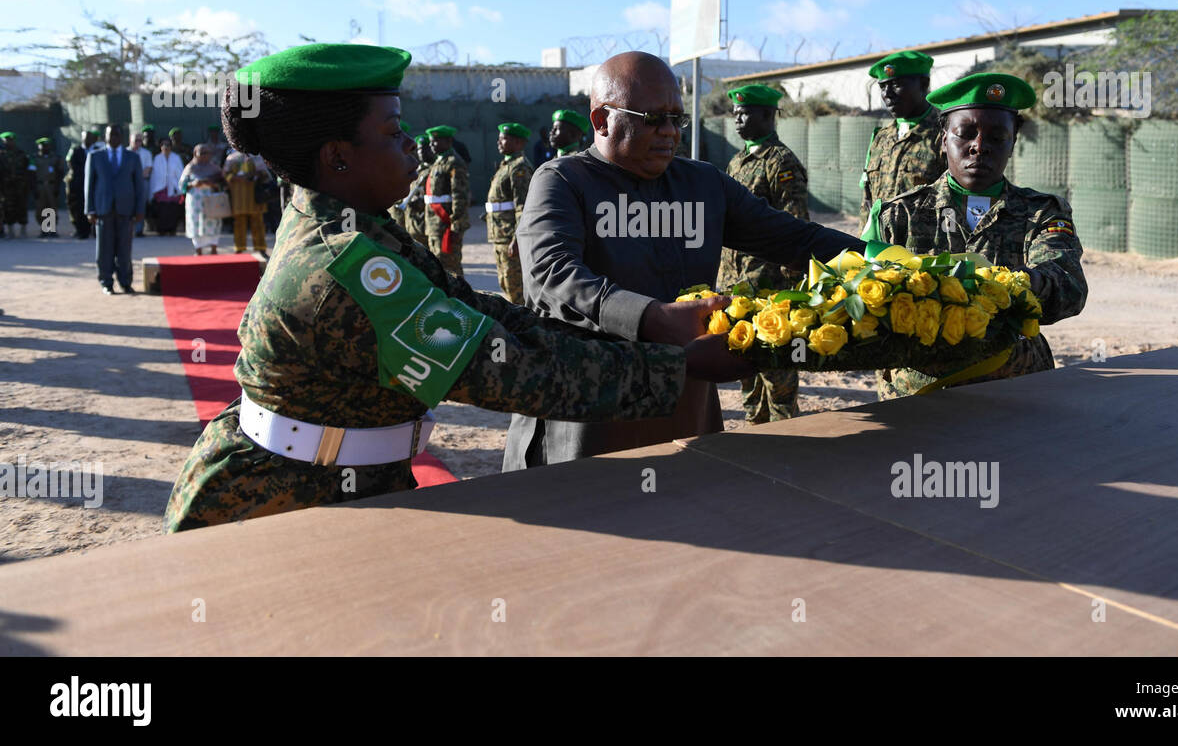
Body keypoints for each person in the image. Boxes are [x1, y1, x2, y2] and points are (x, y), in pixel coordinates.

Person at [164, 43, 744, 531]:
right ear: (338, 156)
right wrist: (681, 367)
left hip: (343, 481)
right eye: (393, 131)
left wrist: (652, 326)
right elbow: (508, 368)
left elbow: (483, 312)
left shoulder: (362, 229)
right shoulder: (343, 269)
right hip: (276, 504)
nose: (410, 143)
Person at [504, 51, 866, 470]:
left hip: (682, 407)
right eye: (652, 118)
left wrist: (883, 261)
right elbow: (553, 275)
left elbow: (794, 238)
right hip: (586, 413)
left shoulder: (702, 184)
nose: (670, 132)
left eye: (677, 119)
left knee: (689, 499)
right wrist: (651, 318)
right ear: (602, 120)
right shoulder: (563, 180)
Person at [867, 72, 1088, 399]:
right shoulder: (898, 215)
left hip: (1015, 389)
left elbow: (1068, 288)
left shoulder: (1041, 213)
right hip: (917, 395)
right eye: (965, 134)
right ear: (943, 139)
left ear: (1013, 142)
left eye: (997, 137)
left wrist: (1017, 284)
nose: (980, 147)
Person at [715, 84, 806, 424]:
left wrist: (793, 286)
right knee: (746, 362)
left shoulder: (781, 162)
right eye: (735, 113)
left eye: (745, 113)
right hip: (737, 284)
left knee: (777, 367)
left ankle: (787, 433)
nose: (738, 119)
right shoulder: (737, 161)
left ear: (768, 115)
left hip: (770, 286)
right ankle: (755, 430)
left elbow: (795, 226)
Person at [859, 50, 946, 239]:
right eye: (883, 87)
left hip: (922, 250)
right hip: (879, 246)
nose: (887, 95)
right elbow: (868, 200)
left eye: (896, 85)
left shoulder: (945, 135)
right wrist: (862, 244)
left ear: (924, 84)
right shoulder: (881, 137)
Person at [84, 123, 147, 294]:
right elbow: (89, 185)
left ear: (122, 137)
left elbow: (139, 186)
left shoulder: (132, 157)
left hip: (125, 210)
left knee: (124, 249)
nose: (113, 138)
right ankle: (106, 282)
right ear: (105, 137)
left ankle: (125, 282)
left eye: (117, 134)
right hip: (103, 210)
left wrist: (140, 209)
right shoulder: (95, 156)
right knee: (104, 249)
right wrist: (90, 210)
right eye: (110, 134)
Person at [485, 122, 534, 303]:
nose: (499, 142)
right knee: (506, 284)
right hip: (500, 234)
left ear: (519, 143)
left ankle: (525, 320)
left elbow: (523, 206)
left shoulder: (519, 168)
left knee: (516, 289)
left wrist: (517, 238)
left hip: (509, 237)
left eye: (504, 139)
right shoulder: (507, 164)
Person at [422, 125, 469, 275]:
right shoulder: (437, 162)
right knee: (438, 267)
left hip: (446, 224)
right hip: (434, 224)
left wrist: (455, 226)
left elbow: (460, 197)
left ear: (448, 141)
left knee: (451, 269)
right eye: (431, 141)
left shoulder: (454, 163)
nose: (431, 144)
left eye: (435, 141)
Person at [223, 146, 271, 256]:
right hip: (238, 195)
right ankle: (239, 248)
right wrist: (237, 178)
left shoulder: (257, 157)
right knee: (239, 222)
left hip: (255, 195)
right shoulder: (231, 158)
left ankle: (261, 248)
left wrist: (254, 174)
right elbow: (225, 175)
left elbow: (265, 174)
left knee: (258, 221)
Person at [179, 144, 226, 255]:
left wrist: (213, 184)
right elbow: (182, 185)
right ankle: (198, 249)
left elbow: (223, 184)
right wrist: (193, 184)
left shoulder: (215, 168)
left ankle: (214, 248)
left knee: (213, 222)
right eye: (202, 153)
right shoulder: (190, 168)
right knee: (196, 223)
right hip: (195, 201)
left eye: (207, 153)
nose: (205, 155)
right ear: (195, 154)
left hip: (212, 200)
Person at [148, 136, 185, 235]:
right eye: (163, 145)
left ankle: (172, 230)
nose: (166, 147)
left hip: (174, 188)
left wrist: (180, 188)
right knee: (161, 210)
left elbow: (180, 173)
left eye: (168, 145)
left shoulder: (176, 158)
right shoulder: (157, 158)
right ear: (160, 147)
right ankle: (161, 230)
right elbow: (154, 175)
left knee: (173, 209)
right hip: (160, 189)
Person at [65, 129, 97, 239]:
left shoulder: (97, 151)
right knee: (79, 208)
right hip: (79, 185)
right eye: (85, 137)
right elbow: (72, 166)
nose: (87, 140)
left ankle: (95, 231)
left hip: (94, 185)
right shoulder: (75, 151)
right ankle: (82, 231)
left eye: (89, 137)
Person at [32, 137, 65, 237]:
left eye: (46, 145)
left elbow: (60, 173)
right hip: (40, 185)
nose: (44, 147)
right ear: (38, 146)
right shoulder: (34, 158)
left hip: (51, 185)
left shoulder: (55, 158)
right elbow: (31, 174)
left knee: (52, 208)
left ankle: (52, 229)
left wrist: (57, 187)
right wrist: (34, 188)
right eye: (42, 145)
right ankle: (44, 229)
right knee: (41, 209)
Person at [1, 132, 32, 237]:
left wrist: (28, 183)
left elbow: (29, 169)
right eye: (6, 141)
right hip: (6, 186)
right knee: (8, 207)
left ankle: (23, 229)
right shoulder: (1, 155)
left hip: (20, 185)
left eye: (10, 140)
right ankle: (10, 230)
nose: (8, 142)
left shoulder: (22, 154)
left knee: (22, 206)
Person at [129, 130, 153, 237]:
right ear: (130, 140)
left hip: (142, 182)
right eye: (136, 140)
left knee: (141, 205)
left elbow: (148, 169)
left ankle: (139, 230)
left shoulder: (146, 153)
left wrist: (136, 177)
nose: (138, 142)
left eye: (140, 140)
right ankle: (128, 229)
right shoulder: (125, 152)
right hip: (128, 183)